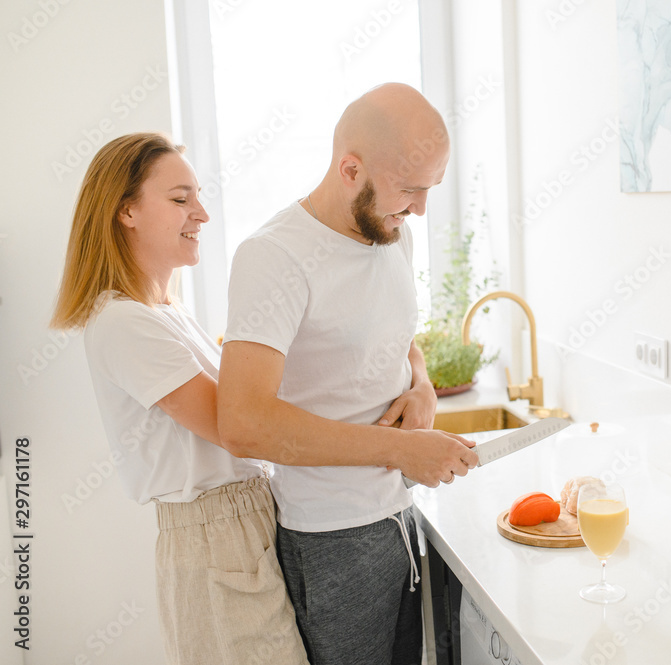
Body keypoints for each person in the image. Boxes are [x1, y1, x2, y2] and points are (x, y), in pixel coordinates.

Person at [217, 83, 478, 664]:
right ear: (350, 167)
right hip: (331, 538)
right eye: (410, 190)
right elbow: (242, 421)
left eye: (430, 190)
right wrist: (399, 449)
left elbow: (395, 332)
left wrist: (423, 383)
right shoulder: (273, 258)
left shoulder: (393, 234)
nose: (420, 210)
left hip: (400, 519)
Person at [50, 133, 309, 665]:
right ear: (126, 212)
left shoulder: (164, 313)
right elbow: (241, 426)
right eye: (180, 198)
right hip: (216, 539)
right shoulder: (122, 322)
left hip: (241, 529)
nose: (202, 214)